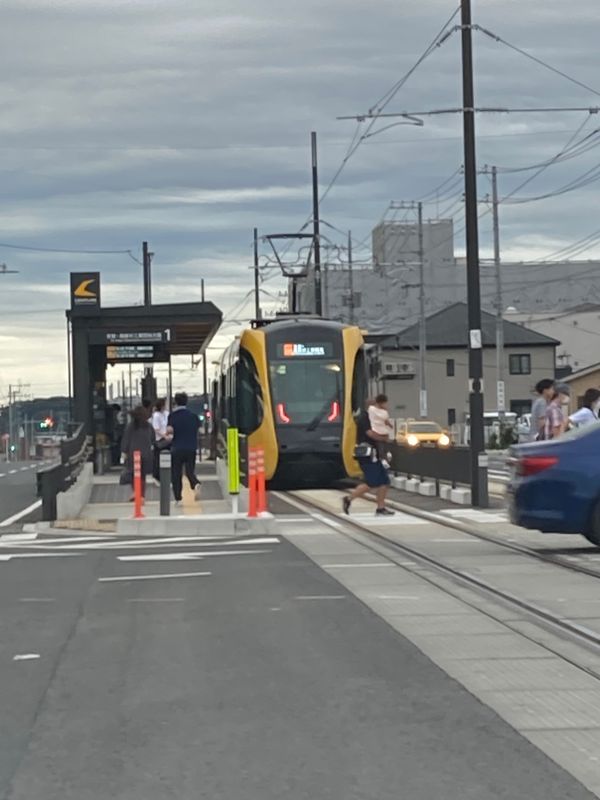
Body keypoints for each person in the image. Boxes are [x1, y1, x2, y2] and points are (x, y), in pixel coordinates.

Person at [343, 400, 395, 517]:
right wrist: (384, 438)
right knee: (372, 482)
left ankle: (381, 508)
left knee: (384, 482)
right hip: (368, 455)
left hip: (376, 455)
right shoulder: (364, 418)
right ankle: (349, 498)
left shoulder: (373, 419)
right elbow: (370, 434)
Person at [167, 391, 201, 505]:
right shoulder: (193, 416)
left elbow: (169, 432)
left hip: (177, 448)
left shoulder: (172, 416)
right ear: (186, 402)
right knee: (190, 471)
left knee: (176, 474)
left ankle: (178, 498)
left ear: (175, 402)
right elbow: (198, 429)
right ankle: (195, 484)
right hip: (191, 447)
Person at [121, 405, 154, 501]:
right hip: (146, 454)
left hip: (133, 454)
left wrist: (124, 451)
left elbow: (126, 439)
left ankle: (136, 492)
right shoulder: (148, 426)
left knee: (133, 474)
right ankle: (142, 495)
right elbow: (153, 439)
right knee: (142, 476)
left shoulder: (131, 426)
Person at [368, 393, 394, 468]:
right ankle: (384, 461)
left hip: (377, 432)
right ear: (382, 402)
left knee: (381, 449)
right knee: (383, 448)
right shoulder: (384, 412)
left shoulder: (371, 409)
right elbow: (386, 421)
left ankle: (383, 460)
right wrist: (390, 425)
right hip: (381, 432)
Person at [151, 398, 170, 480]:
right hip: (159, 439)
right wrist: (164, 436)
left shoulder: (166, 414)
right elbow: (156, 429)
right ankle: (157, 476)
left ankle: (167, 476)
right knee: (158, 459)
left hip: (167, 438)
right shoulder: (156, 415)